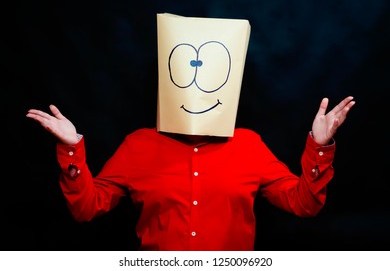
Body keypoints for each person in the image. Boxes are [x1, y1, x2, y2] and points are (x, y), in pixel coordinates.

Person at [26, 14, 355, 251]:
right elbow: (86, 209)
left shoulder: (248, 144)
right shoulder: (138, 144)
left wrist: (320, 147)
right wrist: (71, 149)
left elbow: (304, 205)